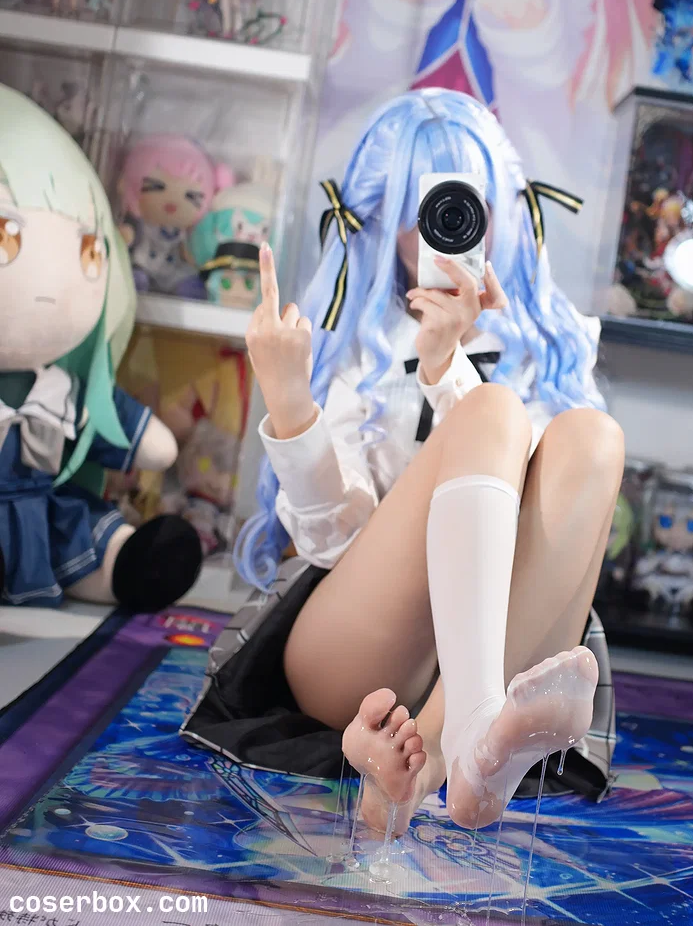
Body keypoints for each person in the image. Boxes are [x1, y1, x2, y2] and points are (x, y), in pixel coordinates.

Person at [226, 89, 624, 835]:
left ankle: (442, 758)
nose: (448, 228)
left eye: (469, 204)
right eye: (426, 208)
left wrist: (455, 363)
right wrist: (291, 402)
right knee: (493, 410)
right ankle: (468, 732)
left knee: (595, 437)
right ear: (383, 219)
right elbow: (331, 544)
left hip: (500, 649)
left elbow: (552, 534)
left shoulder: (542, 343)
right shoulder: (355, 340)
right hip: (357, 652)